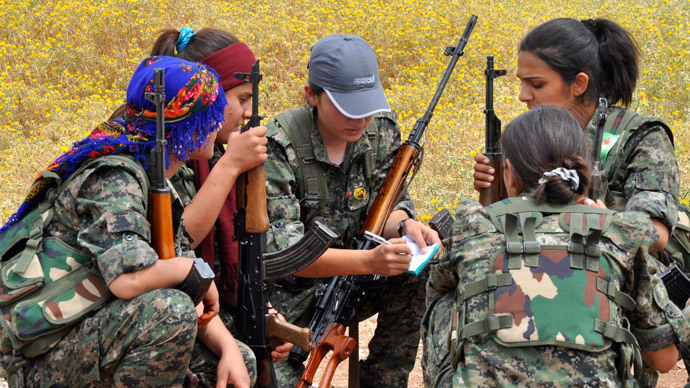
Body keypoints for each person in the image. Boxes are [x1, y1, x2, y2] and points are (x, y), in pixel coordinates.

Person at [0, 56, 252, 387]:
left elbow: (173, 262)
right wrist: (192, 272)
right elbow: (128, 281)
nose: (219, 122)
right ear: (183, 124)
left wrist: (229, 349)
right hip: (46, 352)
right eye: (209, 114)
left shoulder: (154, 182)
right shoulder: (117, 178)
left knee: (236, 358)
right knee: (170, 312)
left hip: (94, 330)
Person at [471, 18, 690, 385]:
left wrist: (602, 221)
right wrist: (493, 193)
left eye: (536, 84)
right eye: (522, 82)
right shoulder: (537, 134)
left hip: (625, 280)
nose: (523, 95)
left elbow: (656, 233)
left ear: (579, 84)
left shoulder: (640, 137)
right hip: (556, 277)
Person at [423, 106, 680, 387]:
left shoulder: (473, 225)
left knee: (448, 296)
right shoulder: (623, 233)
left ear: (508, 173)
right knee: (626, 308)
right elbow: (662, 360)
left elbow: (437, 292)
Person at [262, 34, 441, 387]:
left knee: (418, 271)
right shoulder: (278, 147)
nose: (359, 119)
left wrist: (405, 227)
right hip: (294, 293)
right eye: (346, 107)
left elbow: (386, 203)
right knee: (280, 377)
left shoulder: (381, 131)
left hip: (360, 277)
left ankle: (385, 380)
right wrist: (369, 262)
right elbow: (289, 256)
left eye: (367, 105)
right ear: (311, 95)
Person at [146, 27, 293, 386]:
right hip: (161, 308)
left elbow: (233, 259)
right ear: (205, 96)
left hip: (194, 301)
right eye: (241, 99)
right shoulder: (167, 153)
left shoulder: (211, 153)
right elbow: (178, 243)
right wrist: (230, 167)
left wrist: (265, 317)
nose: (247, 113)